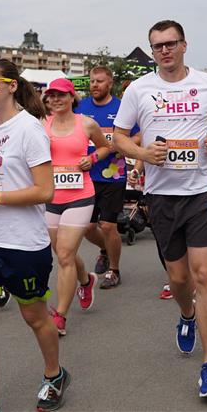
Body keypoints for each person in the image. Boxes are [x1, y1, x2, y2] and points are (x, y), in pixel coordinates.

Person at [113, 20, 207, 400]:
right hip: (162, 195)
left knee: (205, 275)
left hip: (203, 192)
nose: (164, 50)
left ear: (184, 45)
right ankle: (187, 314)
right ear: (152, 51)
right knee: (180, 280)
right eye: (157, 46)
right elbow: (118, 136)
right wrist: (142, 152)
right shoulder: (139, 89)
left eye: (170, 43)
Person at [0, 58, 69, 412]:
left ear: (11, 86)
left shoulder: (29, 129)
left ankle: (54, 373)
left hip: (23, 244)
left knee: (35, 318)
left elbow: (45, 191)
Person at [44, 78, 110, 335]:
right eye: (51, 95)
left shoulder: (86, 123)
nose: (56, 100)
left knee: (64, 254)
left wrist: (92, 158)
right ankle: (86, 280)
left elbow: (105, 147)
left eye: (61, 95)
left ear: (72, 97)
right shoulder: (42, 124)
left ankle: (60, 315)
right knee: (64, 253)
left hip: (80, 196)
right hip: (52, 197)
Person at [76, 66, 138, 288]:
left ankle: (114, 269)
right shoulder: (81, 108)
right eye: (92, 81)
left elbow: (138, 134)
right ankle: (104, 249)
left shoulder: (121, 107)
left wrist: (124, 145)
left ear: (110, 83)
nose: (95, 85)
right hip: (85, 175)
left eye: (100, 81)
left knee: (109, 225)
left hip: (113, 175)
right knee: (87, 227)